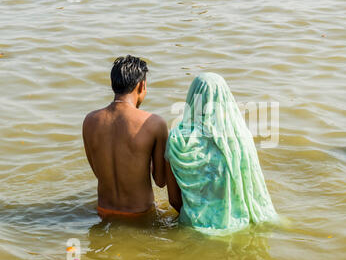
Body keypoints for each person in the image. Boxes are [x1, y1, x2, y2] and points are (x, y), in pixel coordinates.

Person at [165, 72, 278, 235]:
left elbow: (174, 200)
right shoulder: (241, 138)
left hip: (194, 229)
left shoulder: (178, 140)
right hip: (239, 227)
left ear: (191, 98)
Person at [82, 55, 182, 219]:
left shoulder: (90, 120)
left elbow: (97, 171)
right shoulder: (154, 123)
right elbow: (161, 180)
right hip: (140, 215)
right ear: (141, 85)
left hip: (103, 212)